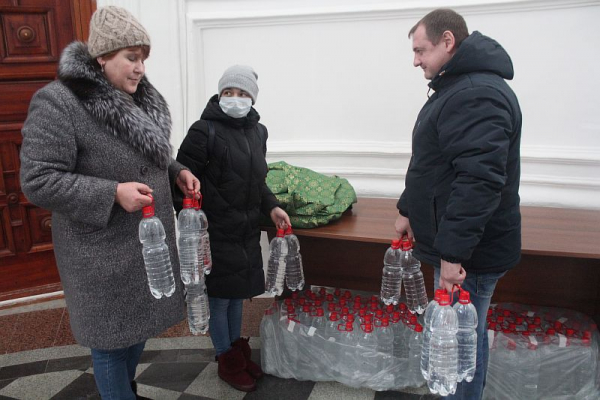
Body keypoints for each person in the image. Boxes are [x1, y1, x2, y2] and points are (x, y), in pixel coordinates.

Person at [19, 6, 199, 400]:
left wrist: (176, 171)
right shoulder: (58, 103)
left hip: (142, 246)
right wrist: (111, 194)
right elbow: (38, 180)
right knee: (111, 345)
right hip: (100, 254)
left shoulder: (137, 98)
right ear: (102, 57)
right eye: (131, 58)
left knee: (134, 337)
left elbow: (147, 152)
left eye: (143, 59)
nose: (140, 69)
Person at [395, 9, 522, 400]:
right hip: (462, 244)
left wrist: (452, 254)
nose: (416, 60)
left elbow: (477, 182)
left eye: (421, 50)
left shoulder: (475, 93)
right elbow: (433, 164)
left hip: (469, 254)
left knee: (460, 346)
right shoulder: (460, 87)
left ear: (448, 41)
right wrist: (407, 210)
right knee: (464, 338)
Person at [176, 65, 291, 392]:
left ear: (252, 98)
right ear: (220, 94)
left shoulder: (259, 132)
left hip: (244, 230)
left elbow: (258, 182)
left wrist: (272, 207)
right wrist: (192, 224)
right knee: (219, 298)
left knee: (237, 295)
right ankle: (226, 357)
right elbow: (180, 179)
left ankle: (236, 350)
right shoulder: (204, 130)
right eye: (229, 93)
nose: (235, 99)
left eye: (242, 94)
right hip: (213, 232)